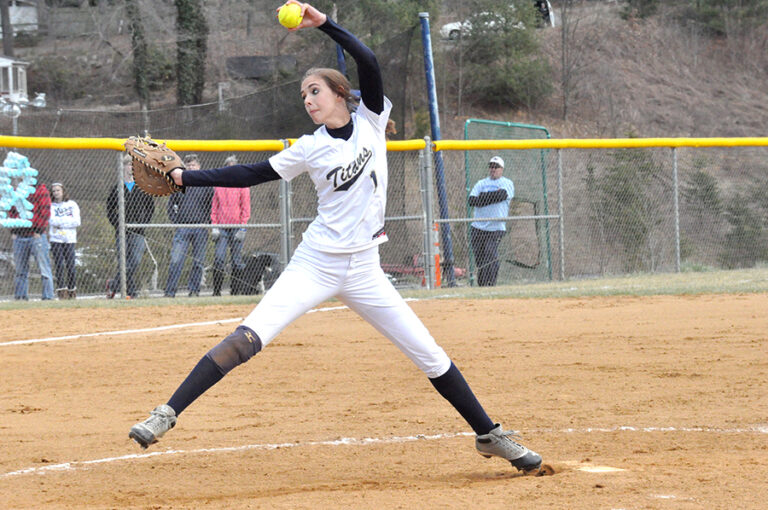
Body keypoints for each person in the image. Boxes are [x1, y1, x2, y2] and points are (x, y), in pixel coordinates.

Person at [129, 1, 542, 475]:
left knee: (429, 354)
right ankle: (166, 413)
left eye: (315, 90)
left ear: (341, 94)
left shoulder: (370, 120)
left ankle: (489, 435)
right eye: (304, 94)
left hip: (366, 268)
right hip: (316, 263)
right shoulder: (310, 147)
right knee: (248, 337)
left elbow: (367, 59)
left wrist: (324, 24)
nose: (308, 99)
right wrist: (184, 177)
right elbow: (249, 174)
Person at [164, 154, 214, 298]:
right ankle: (170, 292)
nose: (191, 167)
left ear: (199, 166)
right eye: (188, 165)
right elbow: (171, 206)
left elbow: (211, 206)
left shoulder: (205, 183)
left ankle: (194, 291)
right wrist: (176, 221)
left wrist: (207, 223)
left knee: (198, 262)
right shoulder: (178, 184)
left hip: (200, 228)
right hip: (183, 227)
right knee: (176, 260)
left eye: (193, 164)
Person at [106, 154, 155, 299]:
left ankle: (113, 284)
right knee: (123, 261)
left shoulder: (143, 187)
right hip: (122, 231)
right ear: (123, 167)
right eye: (127, 165)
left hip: (138, 231)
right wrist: (118, 224)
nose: (130, 168)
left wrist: (142, 223)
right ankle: (131, 293)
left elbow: (150, 208)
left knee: (135, 261)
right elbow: (110, 210)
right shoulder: (117, 188)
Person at [468, 156, 515, 287]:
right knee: (480, 259)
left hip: (496, 227)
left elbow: (502, 195)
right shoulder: (481, 183)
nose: (493, 169)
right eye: (491, 166)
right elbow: (472, 200)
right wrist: (492, 196)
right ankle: (482, 285)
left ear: (502, 169)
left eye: (496, 167)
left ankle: (491, 283)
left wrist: (482, 197)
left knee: (490, 255)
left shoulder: (507, 183)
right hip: (478, 227)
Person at [210, 155, 251, 296]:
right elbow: (214, 208)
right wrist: (214, 226)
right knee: (219, 259)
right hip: (222, 227)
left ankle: (235, 291)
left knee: (236, 260)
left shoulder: (243, 185)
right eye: (228, 167)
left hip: (236, 228)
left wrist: (243, 227)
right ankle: (216, 292)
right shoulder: (219, 185)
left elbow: (245, 208)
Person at [9, 182, 55, 300]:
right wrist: (13, 230)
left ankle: (48, 296)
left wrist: (38, 230)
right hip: (19, 235)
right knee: (20, 270)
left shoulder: (41, 190)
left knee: (44, 268)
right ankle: (20, 297)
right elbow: (12, 210)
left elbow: (45, 212)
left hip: (36, 235)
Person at [49, 182, 81, 299]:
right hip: (56, 238)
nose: (56, 193)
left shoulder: (72, 205)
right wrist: (67, 221)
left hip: (69, 239)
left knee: (71, 266)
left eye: (58, 190)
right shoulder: (51, 206)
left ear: (63, 191)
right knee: (59, 266)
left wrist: (61, 223)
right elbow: (51, 221)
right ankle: (62, 291)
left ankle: (72, 290)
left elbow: (77, 222)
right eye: (54, 191)